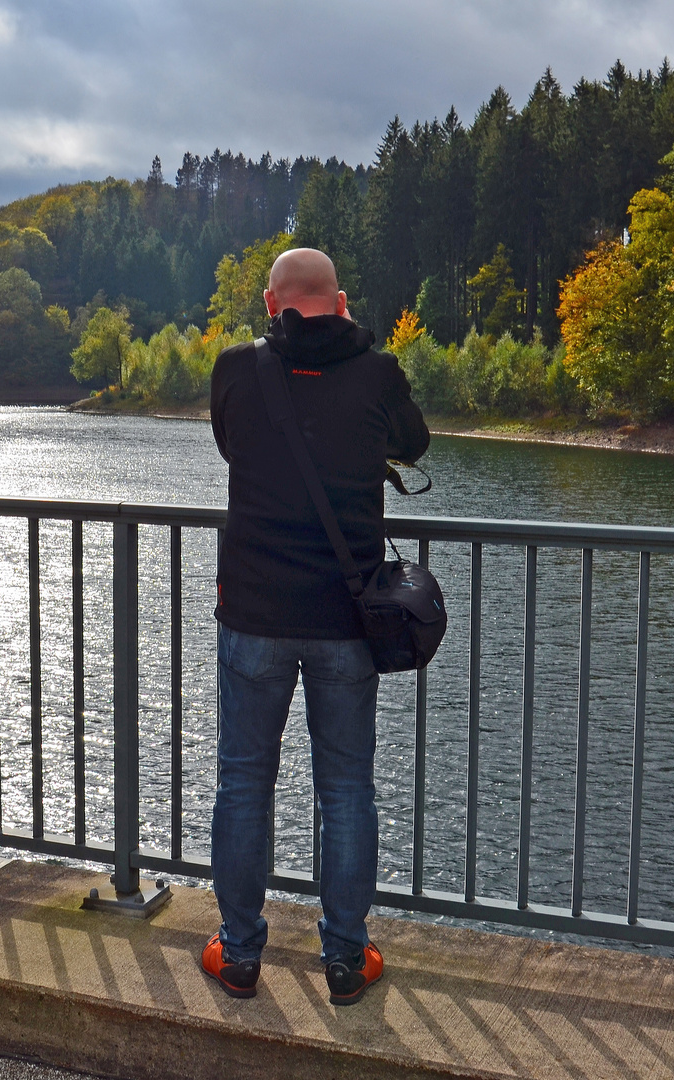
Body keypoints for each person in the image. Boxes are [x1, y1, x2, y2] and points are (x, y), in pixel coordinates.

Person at [203, 248, 429, 1006]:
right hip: (345, 618)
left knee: (242, 785)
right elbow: (414, 442)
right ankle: (344, 959)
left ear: (271, 304)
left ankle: (238, 956)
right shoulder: (378, 372)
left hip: (255, 616)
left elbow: (235, 444)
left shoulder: (236, 368)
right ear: (339, 303)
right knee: (345, 789)